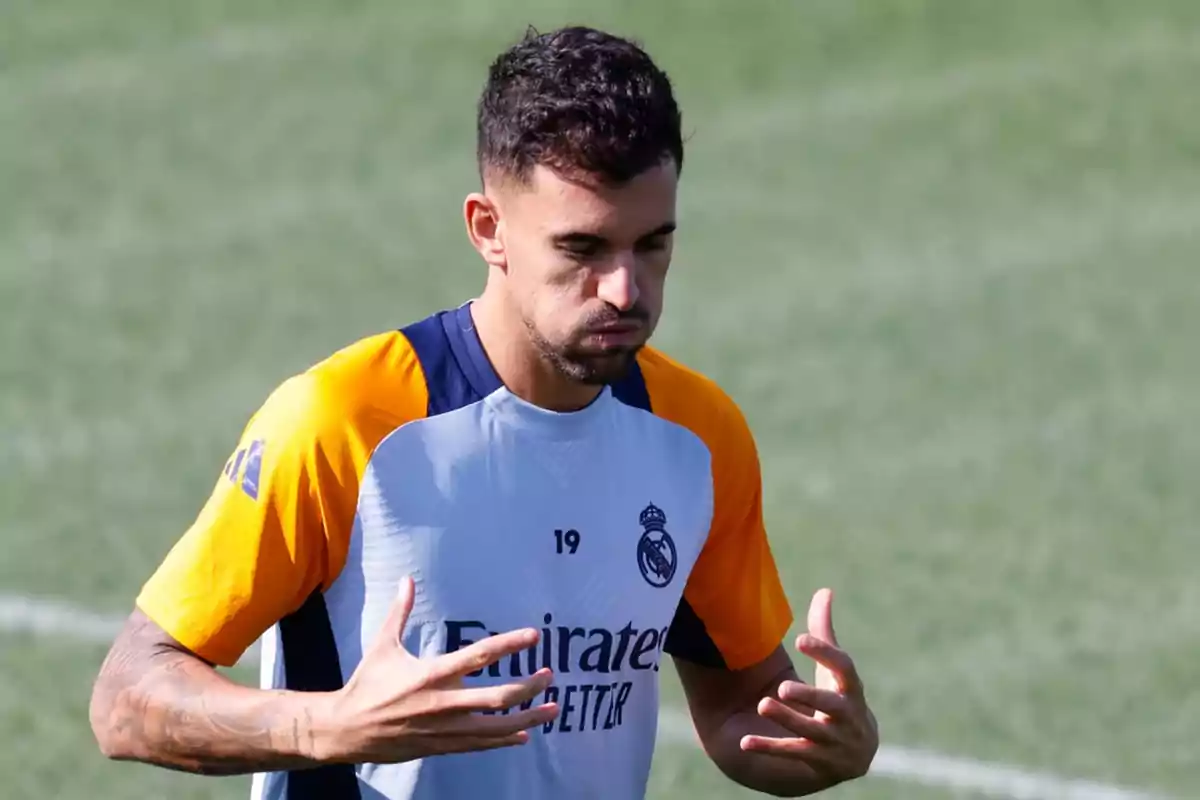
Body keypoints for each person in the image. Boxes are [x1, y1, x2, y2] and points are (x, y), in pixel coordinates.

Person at [88, 24, 878, 800]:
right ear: (488, 229)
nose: (626, 291)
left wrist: (821, 742)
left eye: (652, 246)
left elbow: (740, 704)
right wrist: (328, 728)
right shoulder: (347, 420)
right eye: (582, 250)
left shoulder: (698, 436)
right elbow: (128, 699)